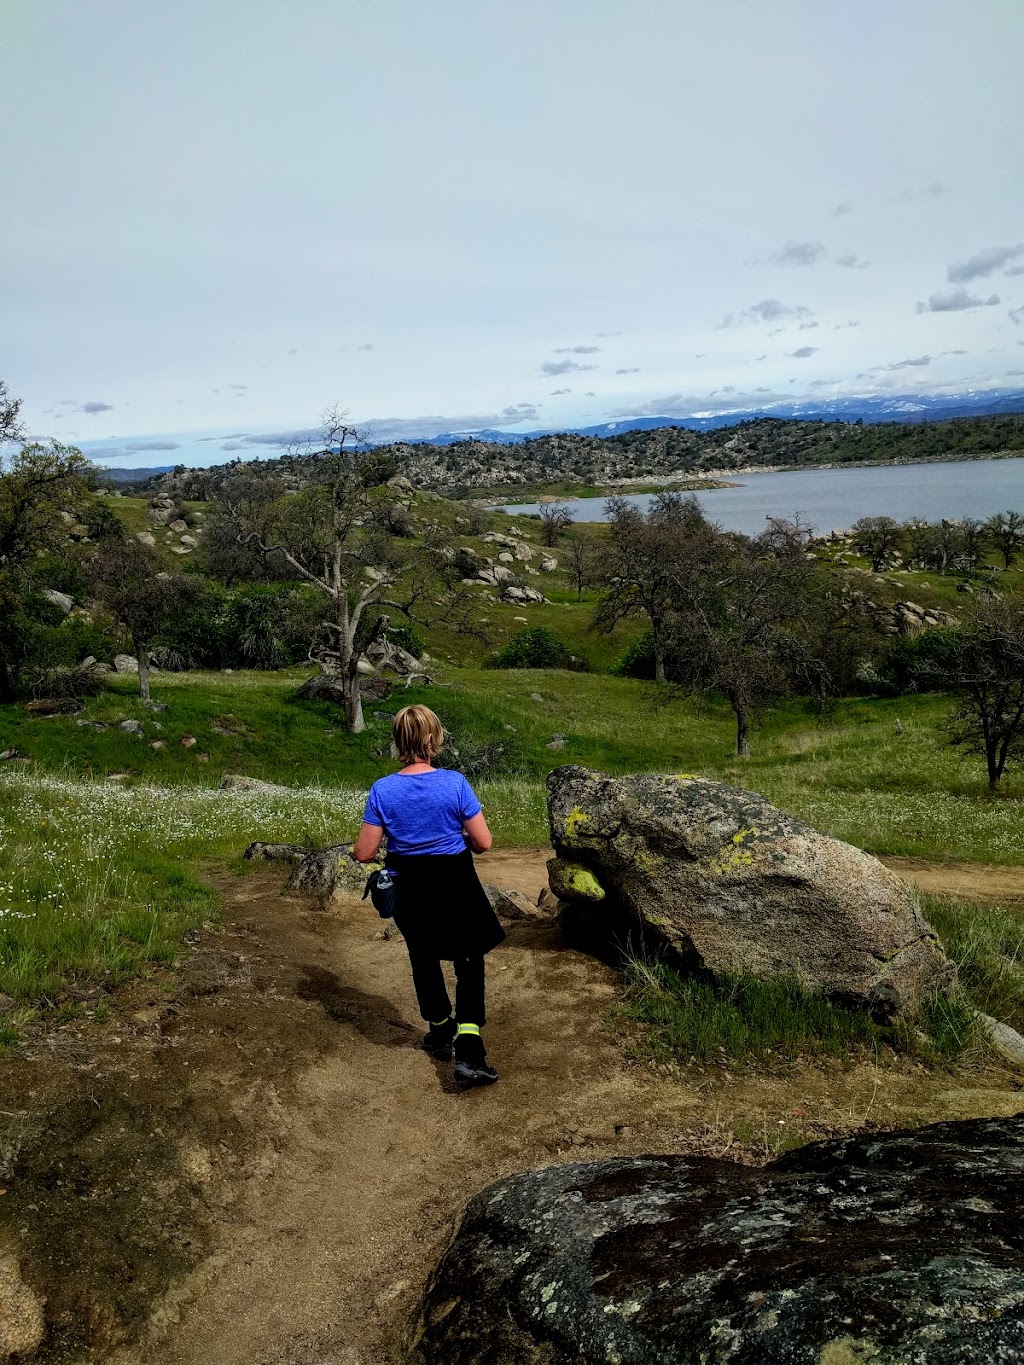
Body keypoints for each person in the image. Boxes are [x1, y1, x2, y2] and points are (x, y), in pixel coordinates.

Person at [352, 704, 506, 1089]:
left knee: (423, 956)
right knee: (469, 959)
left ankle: (440, 1031)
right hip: (456, 882)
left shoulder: (383, 790)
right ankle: (470, 1051)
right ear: (433, 740)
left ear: (399, 743)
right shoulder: (455, 783)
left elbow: (365, 853)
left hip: (411, 886)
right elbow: (484, 843)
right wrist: (462, 836)